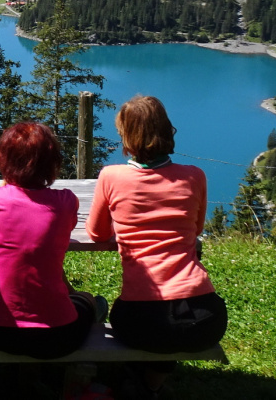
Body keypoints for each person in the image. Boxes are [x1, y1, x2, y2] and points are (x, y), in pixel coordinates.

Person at [86, 95, 227, 399]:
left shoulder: (112, 176)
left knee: (153, 328)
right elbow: (196, 229)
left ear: (126, 136)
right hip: (204, 319)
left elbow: (97, 234)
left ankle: (136, 380)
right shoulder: (194, 176)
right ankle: (150, 385)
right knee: (170, 331)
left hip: (140, 319)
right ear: (167, 130)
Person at [0, 122, 103, 359]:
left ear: (3, 159)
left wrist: (9, 178)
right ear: (52, 162)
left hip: (0, 332)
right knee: (89, 300)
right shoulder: (66, 202)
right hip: (58, 336)